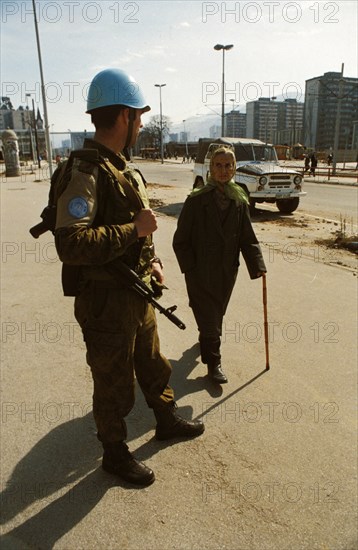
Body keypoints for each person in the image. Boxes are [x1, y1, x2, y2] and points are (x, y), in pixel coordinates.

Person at [53, 68, 204, 487]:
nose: (141, 124)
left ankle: (166, 420)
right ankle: (115, 455)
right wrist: (134, 232)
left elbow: (140, 228)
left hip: (138, 291)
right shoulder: (84, 172)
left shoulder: (121, 167)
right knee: (113, 384)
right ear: (123, 116)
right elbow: (71, 244)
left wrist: (150, 258)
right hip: (105, 303)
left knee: (154, 364)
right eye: (138, 117)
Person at [173, 146, 267, 384]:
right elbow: (180, 240)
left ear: (234, 168)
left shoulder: (239, 200)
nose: (223, 170)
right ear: (210, 168)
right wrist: (190, 269)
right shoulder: (196, 200)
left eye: (228, 166)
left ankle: (207, 339)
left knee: (216, 314)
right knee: (210, 318)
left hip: (227, 271)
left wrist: (257, 264)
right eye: (218, 165)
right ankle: (214, 363)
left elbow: (247, 237)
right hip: (199, 272)